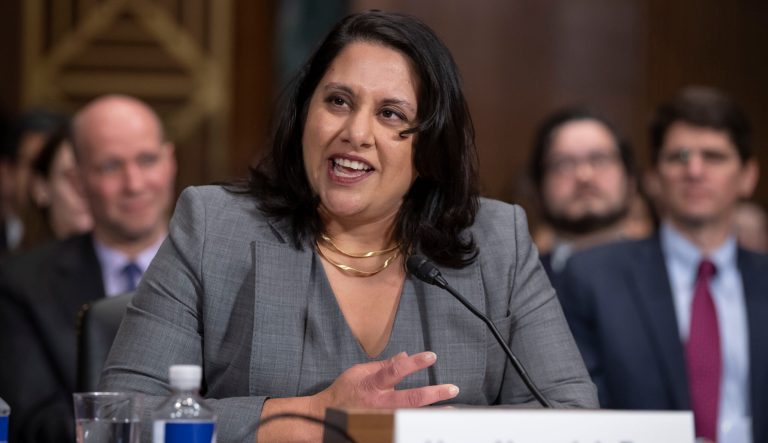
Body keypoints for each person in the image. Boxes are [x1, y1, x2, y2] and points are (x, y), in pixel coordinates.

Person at [100, 10, 597, 443]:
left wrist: (415, 432)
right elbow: (118, 420)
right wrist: (314, 419)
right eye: (337, 101)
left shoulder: (496, 241)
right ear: (304, 114)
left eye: (390, 114)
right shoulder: (213, 226)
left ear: (428, 149)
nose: (355, 133)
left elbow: (573, 419)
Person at [558, 86, 766, 443]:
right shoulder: (593, 277)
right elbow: (580, 410)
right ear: (653, 179)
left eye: (714, 156)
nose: (695, 170)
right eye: (679, 157)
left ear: (748, 176)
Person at [0, 94, 177, 443]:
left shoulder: (225, 273)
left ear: (170, 161)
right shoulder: (23, 283)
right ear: (79, 181)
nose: (134, 184)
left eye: (147, 160)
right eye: (111, 166)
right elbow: (33, 419)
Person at [528, 107, 643, 286]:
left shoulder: (669, 274)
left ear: (631, 180)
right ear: (538, 186)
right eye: (564, 163)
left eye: (600, 159)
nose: (584, 175)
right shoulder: (518, 285)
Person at [21, 126, 93, 248]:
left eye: (94, 176)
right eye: (71, 178)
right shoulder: (15, 266)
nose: (84, 190)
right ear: (41, 188)